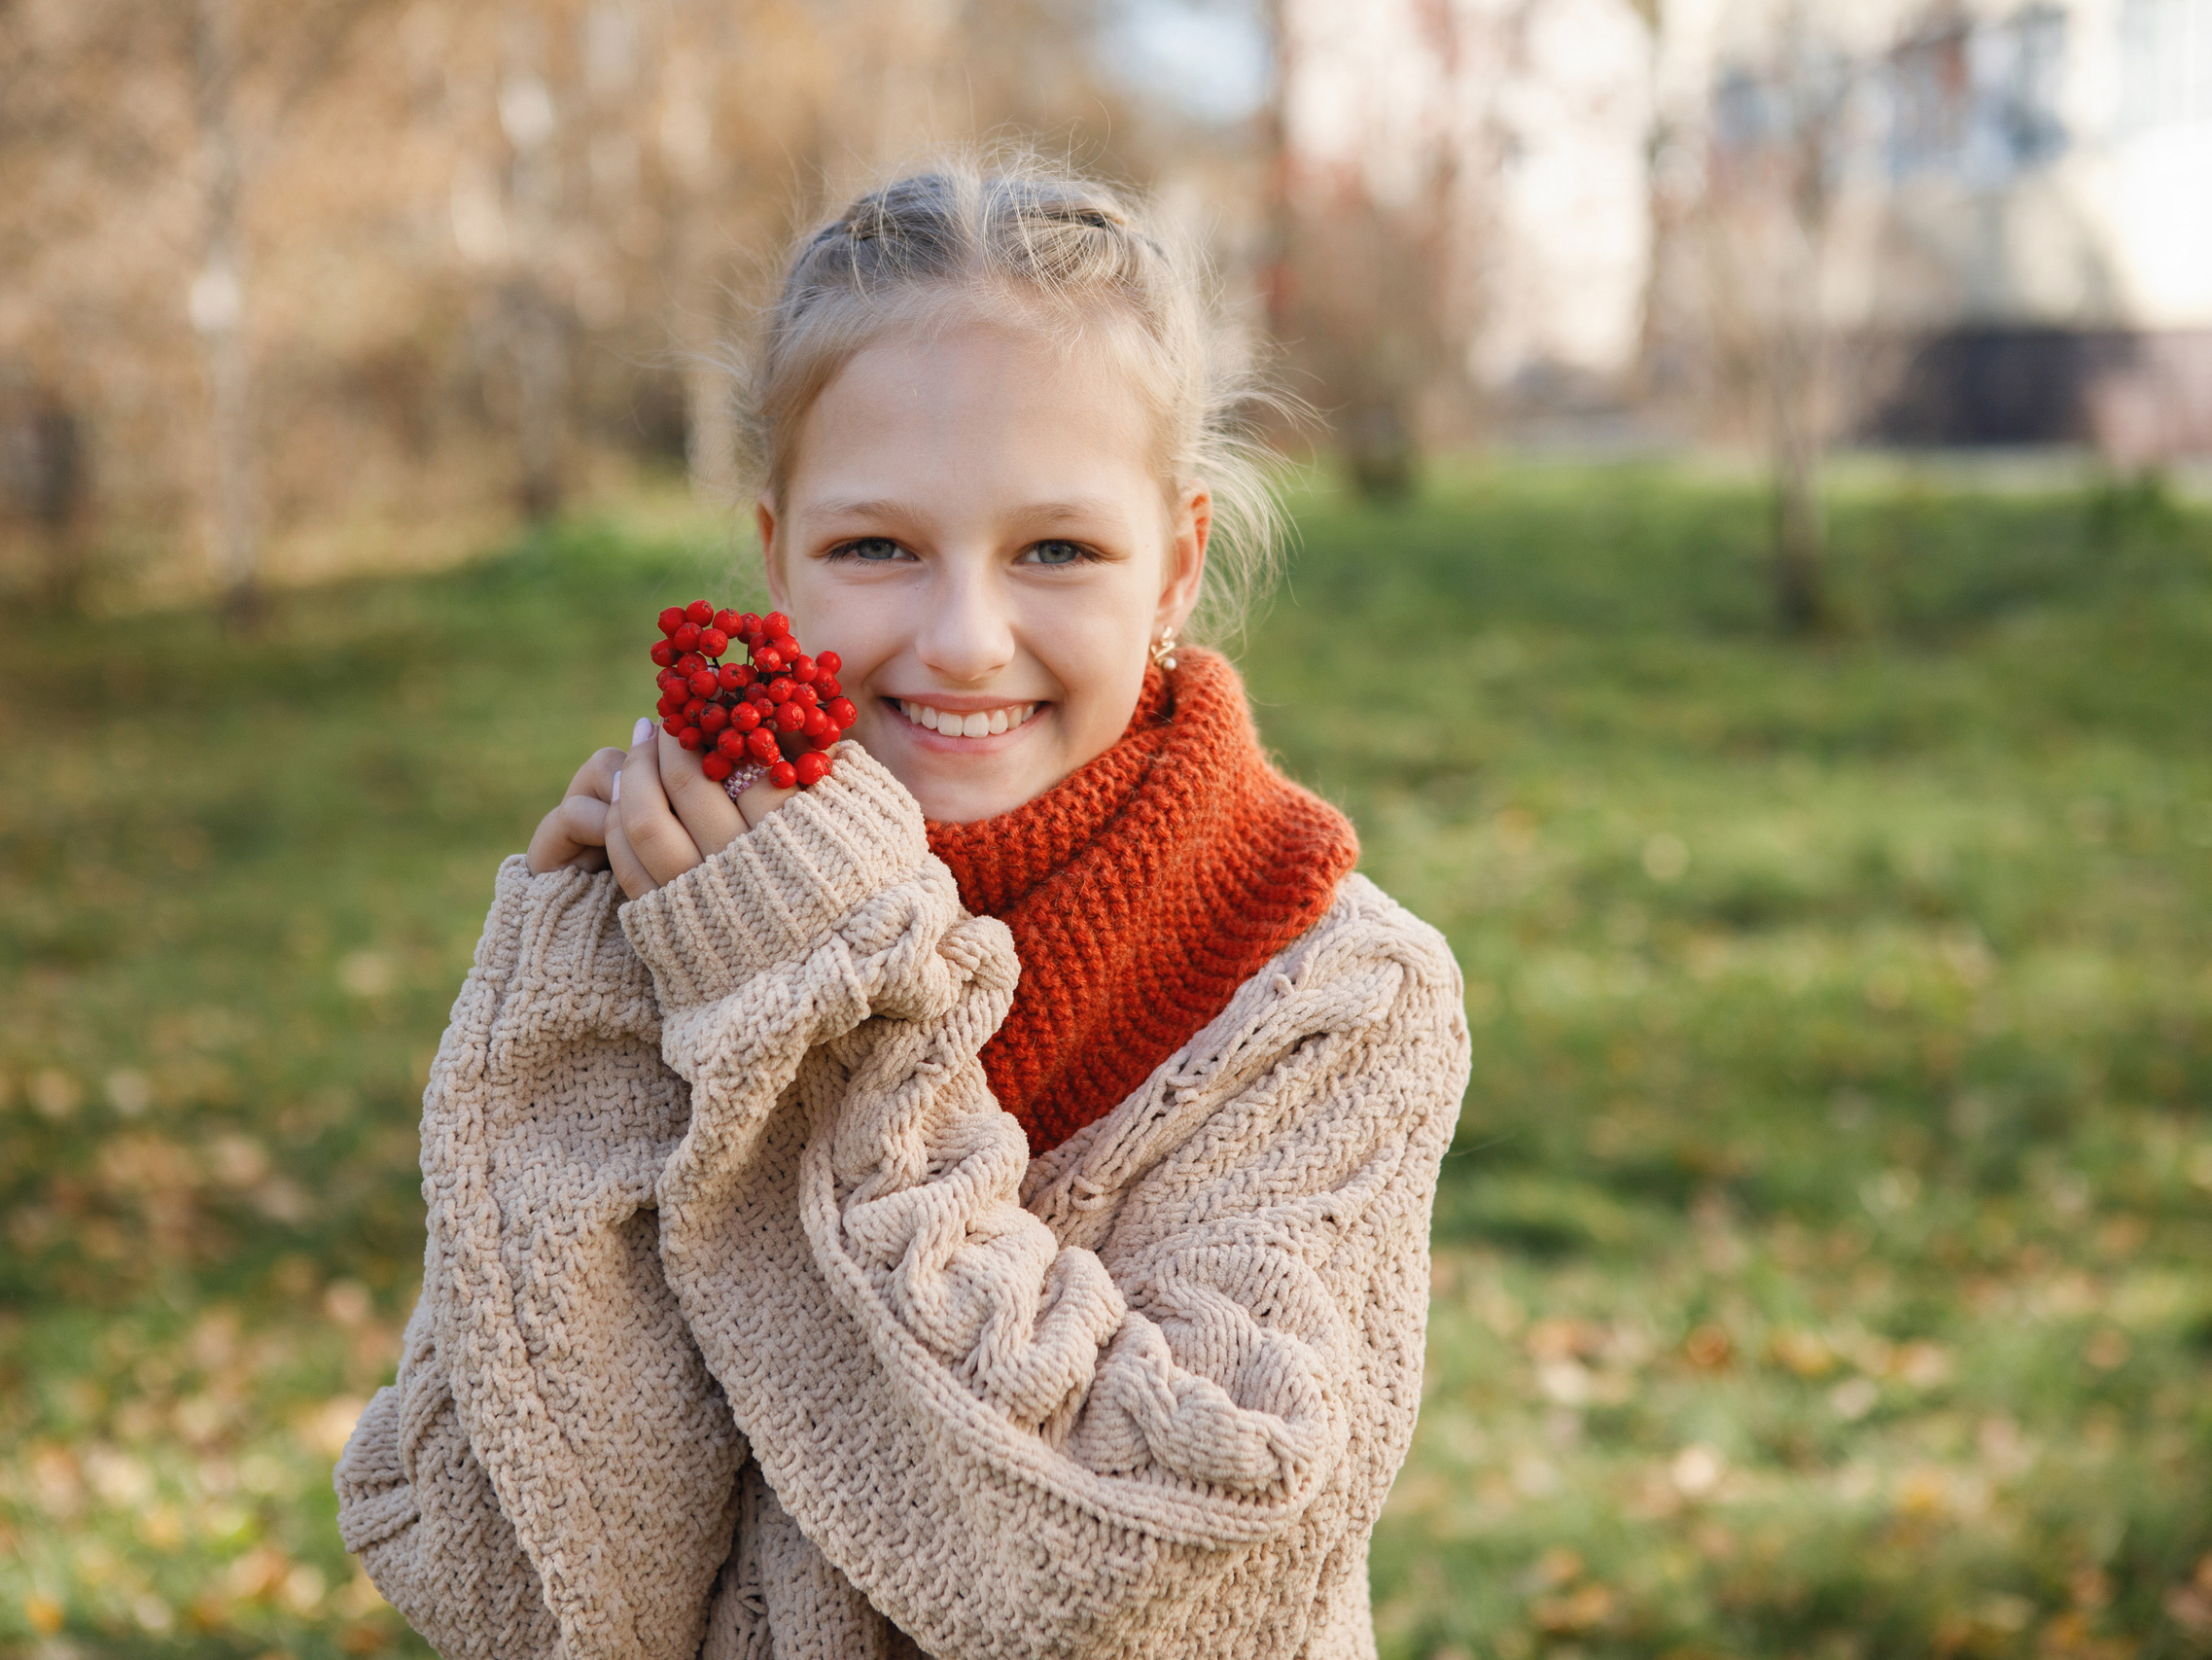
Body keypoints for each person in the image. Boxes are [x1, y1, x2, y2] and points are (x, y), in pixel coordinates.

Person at [333, 156, 1470, 1660]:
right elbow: (522, 1584)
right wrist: (587, 1021)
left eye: (1055, 549)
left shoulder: (1330, 992)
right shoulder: (673, 920)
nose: (966, 639)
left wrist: (819, 1013)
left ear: (1180, 563)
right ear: (776, 562)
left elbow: (1180, 1575)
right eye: (877, 548)